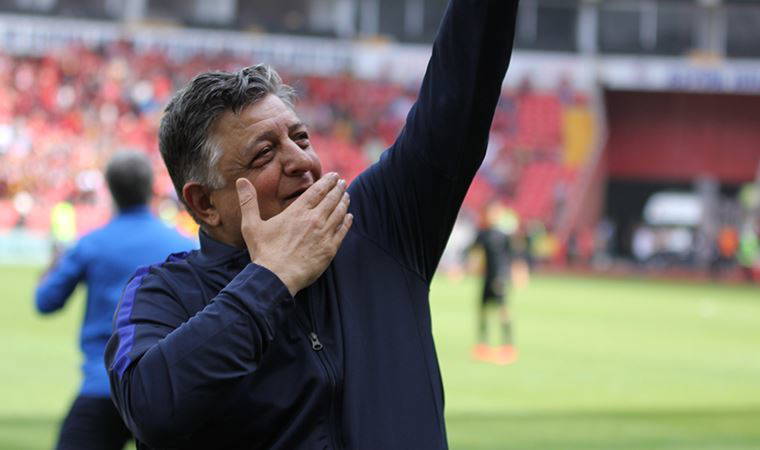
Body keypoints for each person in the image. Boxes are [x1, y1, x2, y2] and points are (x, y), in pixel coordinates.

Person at [105, 2, 519, 448]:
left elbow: (462, 85)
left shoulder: (378, 226)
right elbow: (149, 409)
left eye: (301, 138)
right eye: (265, 153)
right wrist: (271, 278)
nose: (301, 161)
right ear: (205, 203)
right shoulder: (163, 293)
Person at [35, 151, 196, 450]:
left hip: (103, 385)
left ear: (110, 189)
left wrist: (54, 262)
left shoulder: (91, 244)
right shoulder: (182, 244)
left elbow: (45, 301)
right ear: (150, 188)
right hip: (166, 390)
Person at [469, 203, 518, 365]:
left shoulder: (503, 235)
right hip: (487, 278)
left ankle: (508, 346)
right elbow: (473, 252)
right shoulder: (482, 234)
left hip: (499, 278)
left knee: (503, 311)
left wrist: (512, 275)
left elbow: (511, 257)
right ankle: (483, 345)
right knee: (482, 310)